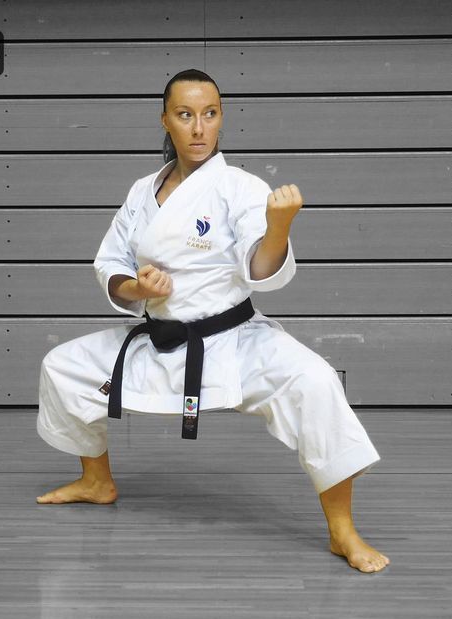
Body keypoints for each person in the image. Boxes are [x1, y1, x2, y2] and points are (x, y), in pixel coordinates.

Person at [35, 69, 390, 573]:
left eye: (210, 114)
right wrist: (138, 289)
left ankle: (342, 531)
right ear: (165, 120)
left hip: (235, 341)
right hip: (160, 340)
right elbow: (110, 262)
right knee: (62, 365)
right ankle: (96, 482)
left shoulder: (239, 187)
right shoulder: (141, 192)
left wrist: (279, 228)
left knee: (315, 382)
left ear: (221, 118)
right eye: (185, 115)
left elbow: (259, 268)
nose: (199, 127)